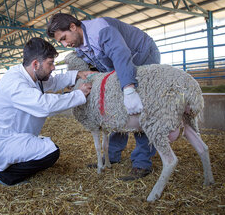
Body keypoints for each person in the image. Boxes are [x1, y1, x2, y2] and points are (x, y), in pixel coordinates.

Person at [46, 13, 161, 181]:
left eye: (64, 38)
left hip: (142, 55)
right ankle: (112, 154)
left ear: (72, 26)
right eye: (61, 42)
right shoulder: (79, 45)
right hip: (119, 65)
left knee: (139, 109)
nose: (65, 44)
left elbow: (120, 55)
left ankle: (142, 162)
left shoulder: (100, 30)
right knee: (116, 107)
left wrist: (128, 88)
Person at [0, 37, 94, 186]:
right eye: (50, 63)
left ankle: (12, 163)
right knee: (51, 152)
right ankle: (5, 175)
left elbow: (53, 82)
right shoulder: (15, 82)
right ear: (36, 64)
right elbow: (44, 106)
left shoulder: (31, 75)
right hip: (4, 142)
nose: (53, 67)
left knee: (44, 145)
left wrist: (76, 75)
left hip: (17, 136)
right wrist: (78, 94)